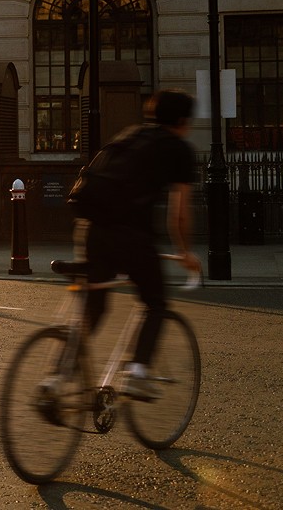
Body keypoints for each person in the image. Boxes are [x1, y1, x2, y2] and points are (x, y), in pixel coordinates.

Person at [82, 89, 201, 401]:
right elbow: (178, 216)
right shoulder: (178, 149)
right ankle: (137, 371)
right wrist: (185, 253)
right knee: (155, 303)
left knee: (95, 307)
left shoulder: (130, 135)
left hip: (93, 230)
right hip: (133, 236)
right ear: (183, 120)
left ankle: (58, 376)